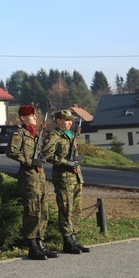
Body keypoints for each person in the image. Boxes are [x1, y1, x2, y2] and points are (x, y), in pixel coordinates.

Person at [6, 105, 58, 260]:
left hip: (40, 177)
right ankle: (32, 246)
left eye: (36, 114)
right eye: (32, 115)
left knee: (43, 211)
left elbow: (45, 152)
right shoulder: (19, 133)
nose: (35, 117)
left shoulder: (37, 134)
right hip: (29, 177)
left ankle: (41, 244)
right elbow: (12, 152)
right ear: (23, 118)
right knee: (32, 211)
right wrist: (29, 162)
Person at [42, 109, 90, 254]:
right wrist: (65, 163)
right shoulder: (54, 136)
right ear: (58, 121)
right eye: (67, 120)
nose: (70, 122)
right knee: (66, 209)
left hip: (75, 176)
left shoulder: (71, 135)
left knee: (76, 208)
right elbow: (46, 154)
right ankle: (67, 240)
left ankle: (74, 238)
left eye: (71, 120)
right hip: (63, 178)